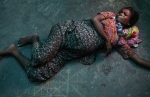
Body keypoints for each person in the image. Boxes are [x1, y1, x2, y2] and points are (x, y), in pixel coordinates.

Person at [0, 7, 150, 82]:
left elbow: (136, 58)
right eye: (121, 12)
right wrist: (105, 39)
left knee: (38, 75)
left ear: (129, 22)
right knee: (39, 58)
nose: (120, 14)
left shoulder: (119, 39)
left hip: (70, 53)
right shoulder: (109, 15)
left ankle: (13, 51)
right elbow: (94, 19)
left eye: (125, 15)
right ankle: (34, 39)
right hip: (66, 32)